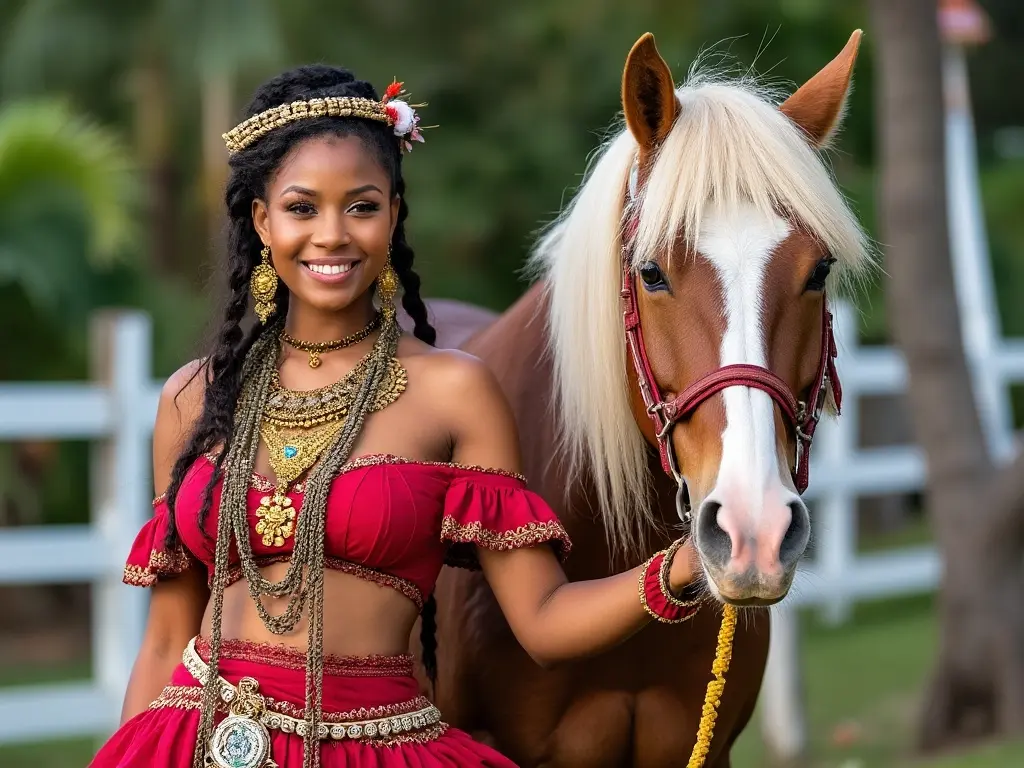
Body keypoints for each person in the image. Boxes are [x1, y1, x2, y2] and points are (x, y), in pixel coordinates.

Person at [89, 65, 703, 768]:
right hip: (190, 741)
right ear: (262, 220)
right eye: (301, 207)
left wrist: (684, 567)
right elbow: (166, 641)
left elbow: (542, 621)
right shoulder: (194, 400)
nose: (331, 235)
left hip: (375, 749)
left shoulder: (454, 392)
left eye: (360, 206)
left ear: (394, 214)